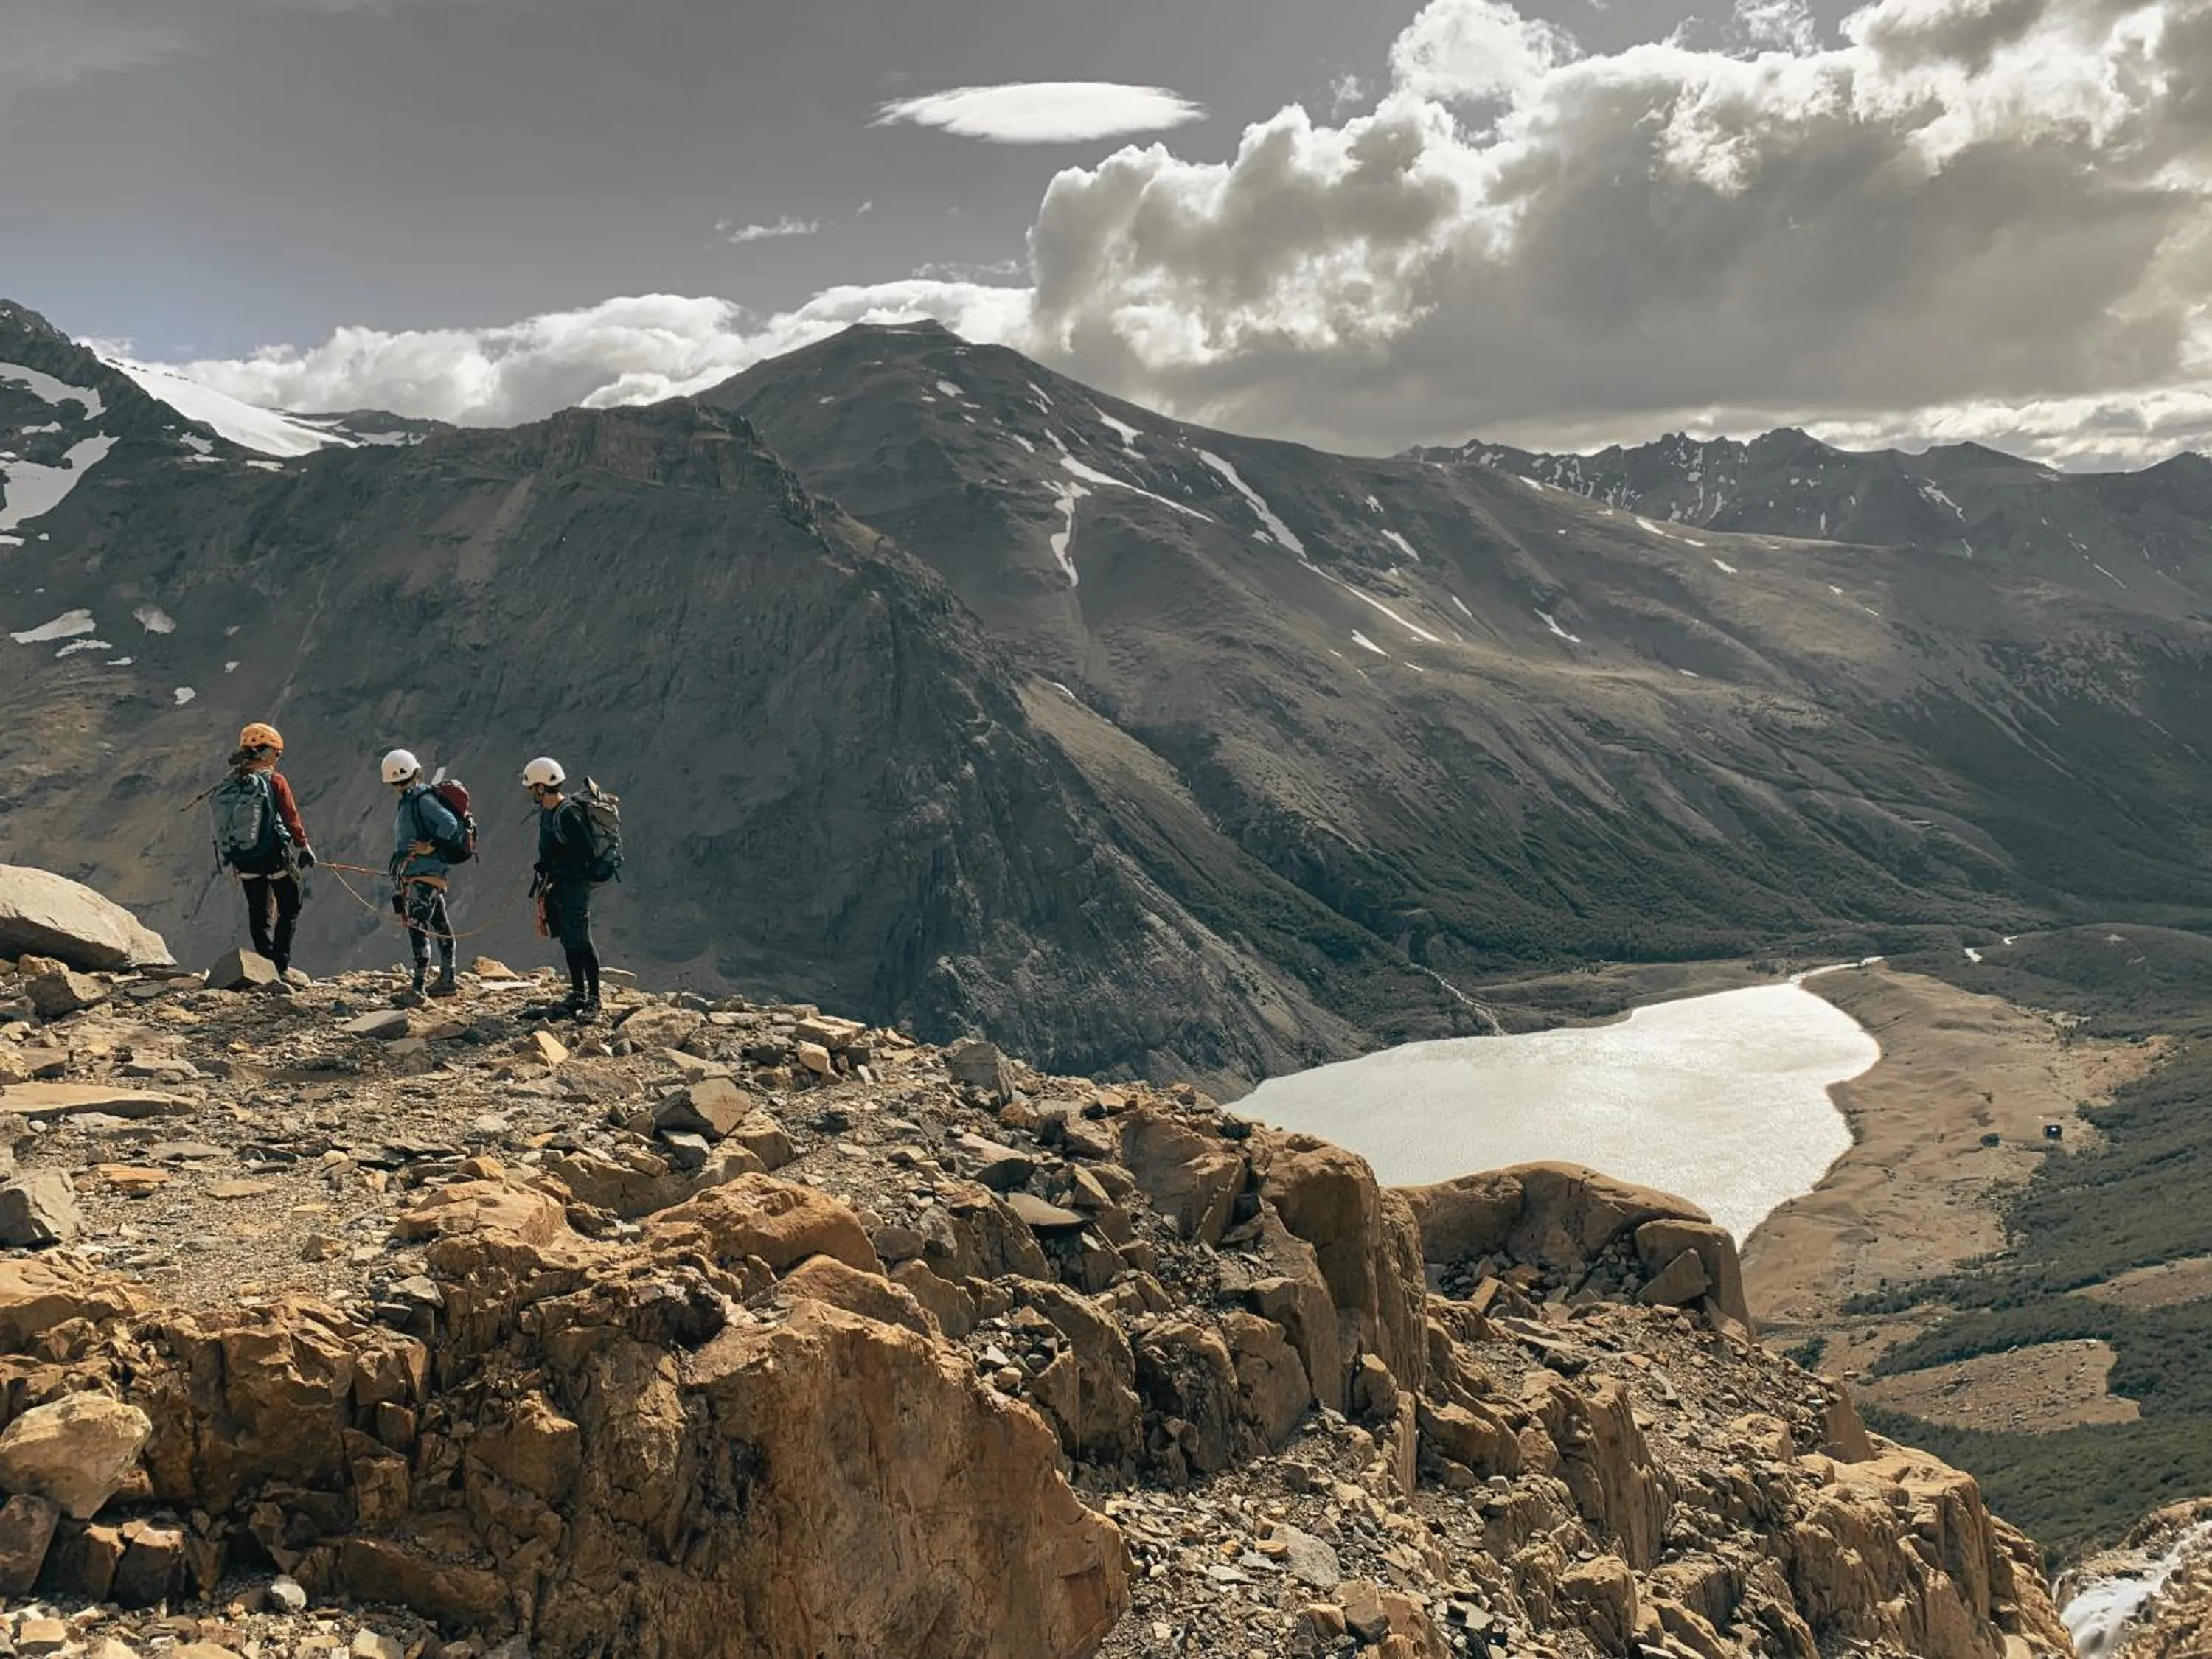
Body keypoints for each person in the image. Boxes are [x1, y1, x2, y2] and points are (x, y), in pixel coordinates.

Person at [226, 723, 316, 979]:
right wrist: (303, 846)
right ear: (268, 752)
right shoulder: (274, 780)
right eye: (277, 753)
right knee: (290, 906)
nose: (278, 758)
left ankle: (265, 967)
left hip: (244, 858)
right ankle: (281, 966)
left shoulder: (232, 782)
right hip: (274, 855)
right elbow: (291, 817)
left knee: (258, 912)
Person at [524, 757, 602, 1020]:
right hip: (558, 886)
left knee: (581, 941)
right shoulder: (550, 813)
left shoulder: (568, 814)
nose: (530, 792)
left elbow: (588, 852)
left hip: (573, 886)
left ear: (541, 787)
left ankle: (593, 1000)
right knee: (570, 940)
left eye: (532, 787)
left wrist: (558, 869)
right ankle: (578, 994)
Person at [383, 748, 461, 1000]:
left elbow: (449, 823)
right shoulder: (412, 799)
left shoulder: (421, 800)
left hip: (423, 874)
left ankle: (418, 988)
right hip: (425, 873)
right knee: (439, 924)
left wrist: (432, 846)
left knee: (418, 926)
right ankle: (448, 978)